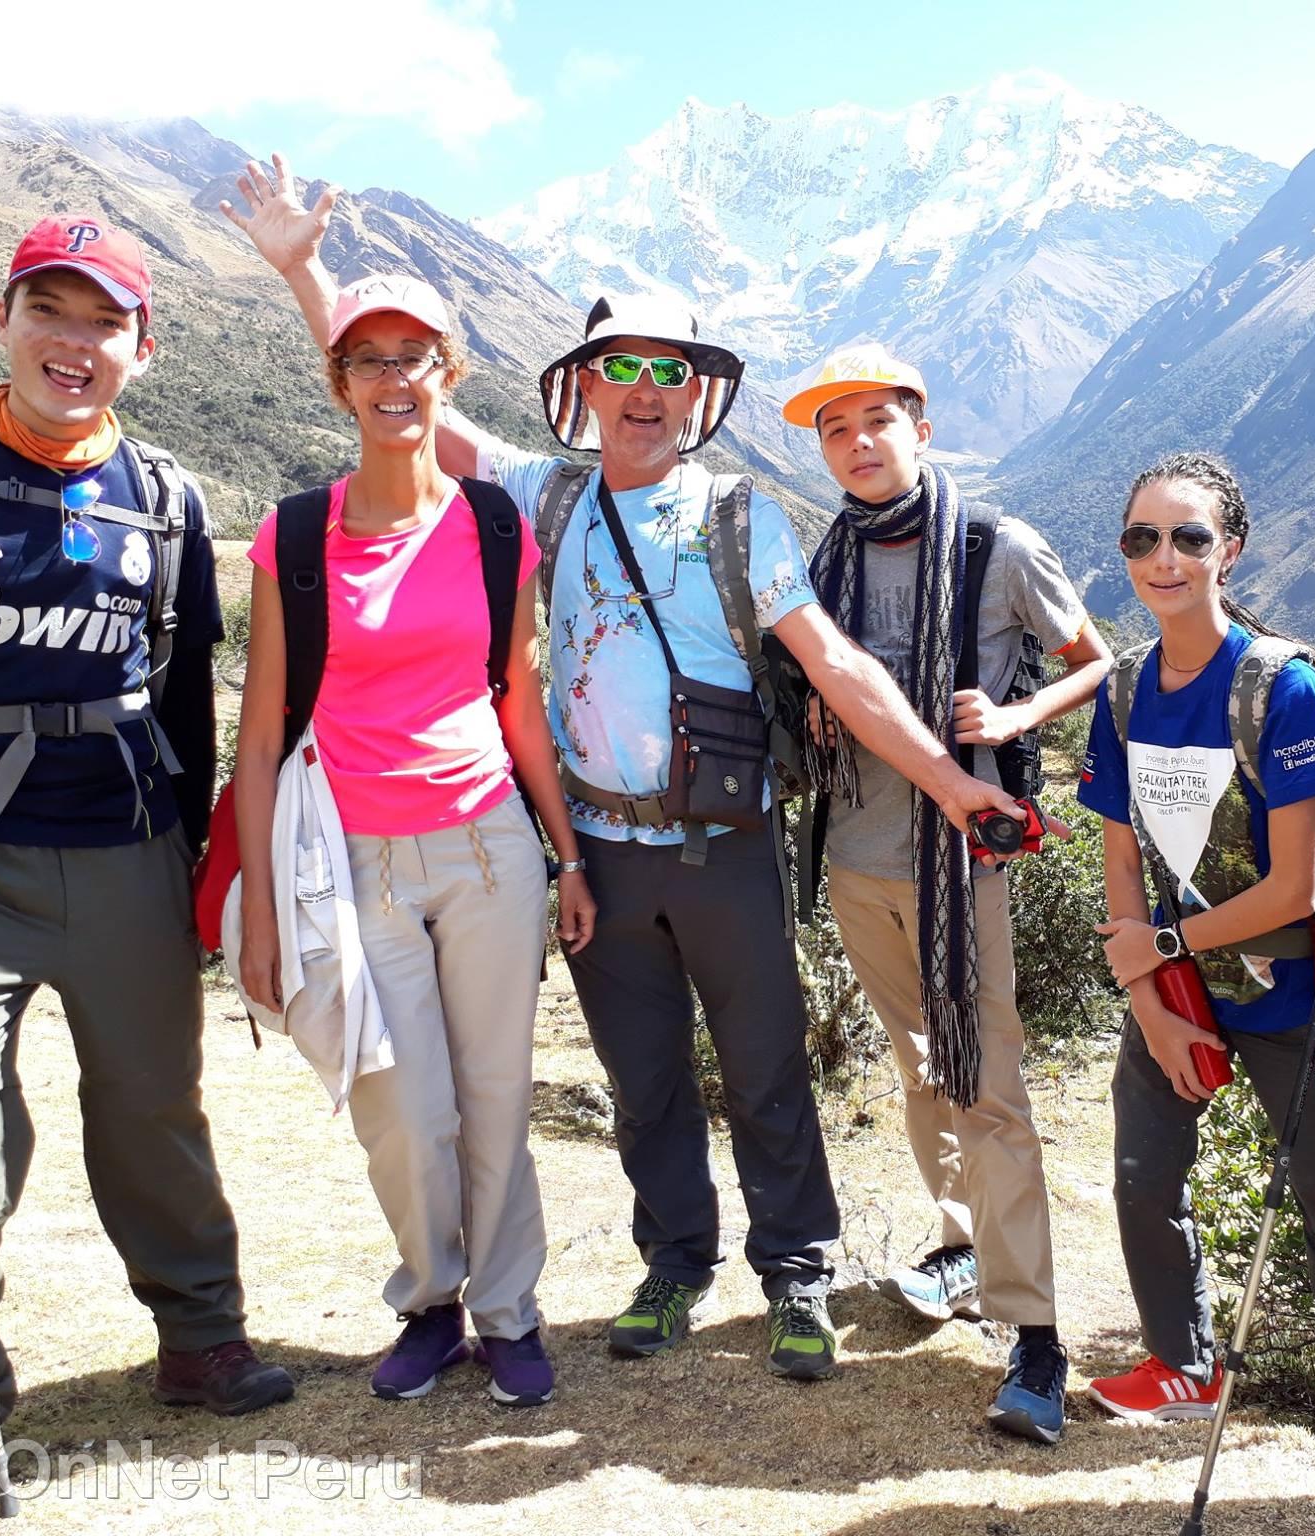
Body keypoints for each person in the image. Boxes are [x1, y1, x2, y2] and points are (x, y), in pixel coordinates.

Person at [222, 156, 1018, 1380]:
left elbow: (844, 669)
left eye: (669, 371)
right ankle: (674, 1261)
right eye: (620, 369)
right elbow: (396, 389)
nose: (643, 392)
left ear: (696, 395)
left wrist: (953, 783)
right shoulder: (545, 498)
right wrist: (300, 268)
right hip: (598, 844)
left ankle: (795, 1270)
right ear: (583, 386)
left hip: (723, 846)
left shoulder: (741, 517)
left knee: (762, 1070)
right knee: (642, 1081)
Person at [0, 216, 291, 1512]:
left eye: (104, 322)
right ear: (3, 321)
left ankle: (199, 1337)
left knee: (154, 1113)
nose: (74, 345)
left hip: (129, 858)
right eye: (50, 313)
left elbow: (187, 708)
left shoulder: (170, 502)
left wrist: (203, 874)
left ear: (144, 343)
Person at [233, 273, 596, 1407]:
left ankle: (507, 1312)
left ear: (451, 372)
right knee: (401, 1109)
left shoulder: (495, 528)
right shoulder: (293, 535)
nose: (395, 379)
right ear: (339, 382)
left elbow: (519, 706)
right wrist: (254, 912)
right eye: (369, 360)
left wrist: (566, 853)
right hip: (354, 866)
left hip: (488, 850)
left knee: (495, 1096)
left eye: (414, 356)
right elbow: (255, 742)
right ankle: (430, 1301)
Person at [1073, 452, 1315, 1493]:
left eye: (1188, 537)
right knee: (1144, 1179)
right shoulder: (1117, 689)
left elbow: (1294, 888)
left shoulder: (1275, 689)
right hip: (1182, 988)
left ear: (1228, 552)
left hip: (1294, 997)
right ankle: (1181, 1363)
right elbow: (1119, 858)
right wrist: (1150, 1003)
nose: (1163, 558)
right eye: (1141, 538)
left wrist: (1155, 951)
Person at [781, 344, 1109, 1442]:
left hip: (958, 863)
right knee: (919, 1065)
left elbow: (1093, 659)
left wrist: (1015, 721)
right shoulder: (823, 558)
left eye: (878, 420)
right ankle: (963, 1242)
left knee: (989, 1089)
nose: (859, 443)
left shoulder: (994, 545)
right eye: (836, 428)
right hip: (856, 858)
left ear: (919, 427)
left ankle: (1035, 1339)